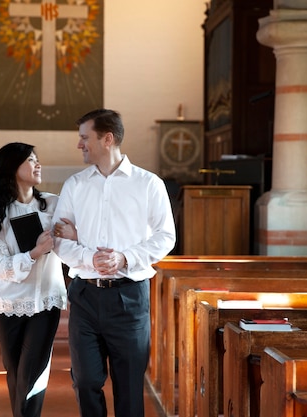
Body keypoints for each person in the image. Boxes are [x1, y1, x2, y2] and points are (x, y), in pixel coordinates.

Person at [52, 109, 176, 417]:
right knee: (85, 380)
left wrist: (125, 257)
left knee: (130, 386)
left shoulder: (149, 184)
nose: (79, 145)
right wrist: (89, 257)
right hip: (85, 296)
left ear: (107, 139)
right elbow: (57, 239)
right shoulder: (75, 185)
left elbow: (166, 237)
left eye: (85, 138)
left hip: (129, 297)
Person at [0, 142, 71, 417]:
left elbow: (72, 245)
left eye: (37, 159)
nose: (38, 164)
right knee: (16, 373)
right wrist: (34, 252)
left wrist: (71, 235)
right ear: (12, 168)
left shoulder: (53, 204)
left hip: (46, 301)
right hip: (9, 303)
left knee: (32, 375)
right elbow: (1, 268)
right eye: (30, 160)